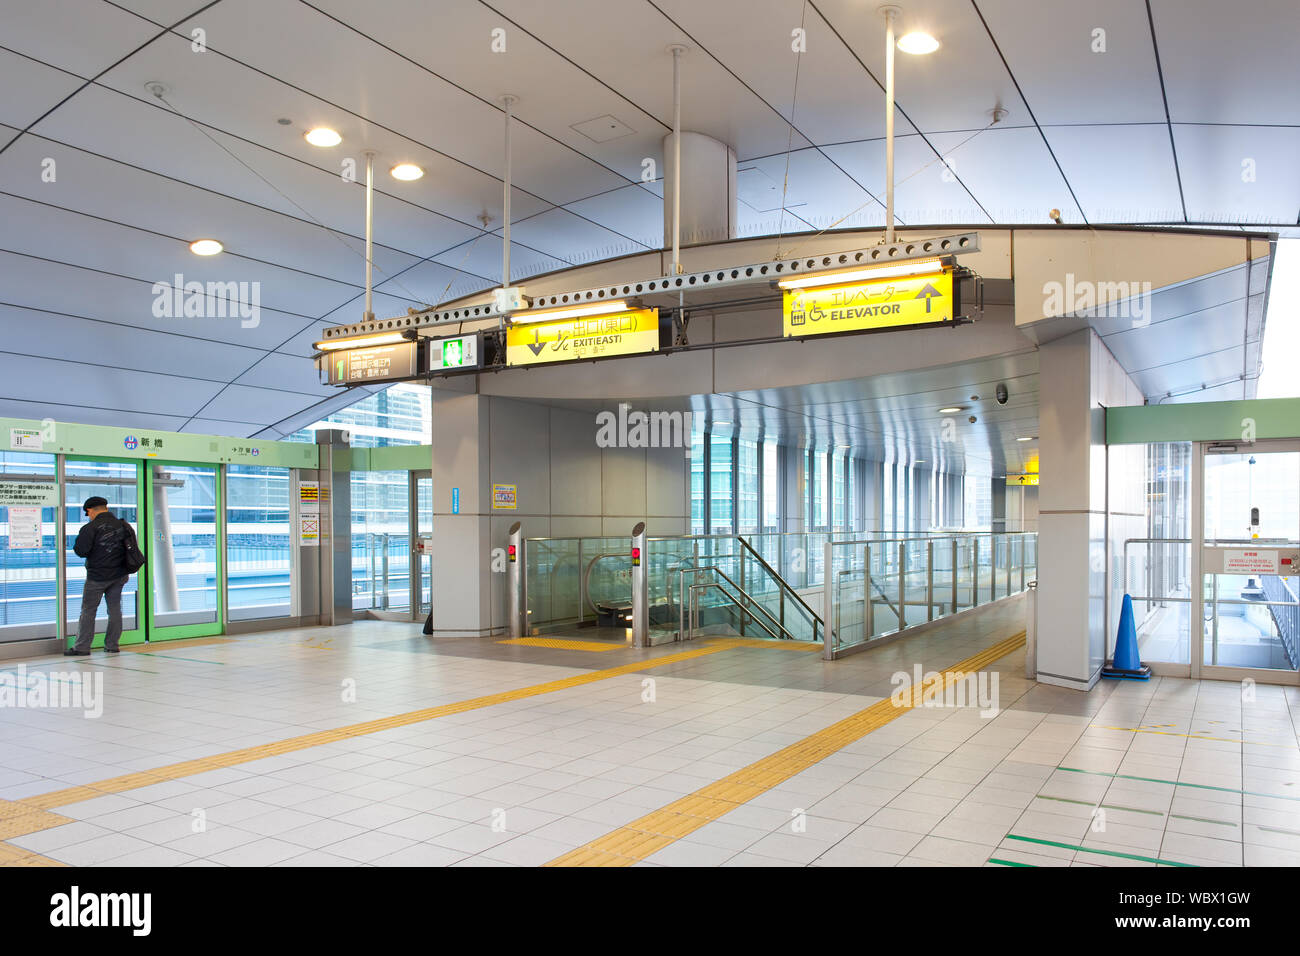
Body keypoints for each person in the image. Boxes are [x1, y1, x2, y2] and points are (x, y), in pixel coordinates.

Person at [67, 496, 131, 656]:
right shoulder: (123, 525)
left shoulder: (90, 528)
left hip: (97, 576)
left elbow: (81, 551)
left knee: (88, 611)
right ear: (106, 508)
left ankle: (82, 647)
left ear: (90, 510)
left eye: (87, 513)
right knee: (115, 610)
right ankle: (112, 645)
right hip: (119, 575)